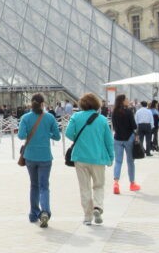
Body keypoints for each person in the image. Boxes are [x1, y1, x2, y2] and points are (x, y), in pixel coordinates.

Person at [65, 93, 114, 225]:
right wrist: (111, 157)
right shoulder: (102, 120)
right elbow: (109, 141)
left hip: (80, 158)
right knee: (98, 185)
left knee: (84, 187)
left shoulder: (76, 117)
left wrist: (79, 140)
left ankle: (87, 217)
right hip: (98, 158)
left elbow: (68, 133)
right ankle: (97, 207)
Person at [17, 93, 61, 227]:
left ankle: (33, 214)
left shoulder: (25, 117)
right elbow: (57, 137)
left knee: (34, 185)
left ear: (31, 103)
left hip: (30, 156)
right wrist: (46, 133)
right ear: (43, 104)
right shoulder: (49, 117)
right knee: (44, 186)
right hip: (45, 157)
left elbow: (21, 135)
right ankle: (45, 212)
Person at [111, 94, 140, 194]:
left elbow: (114, 126)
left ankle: (116, 183)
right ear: (123, 101)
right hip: (129, 138)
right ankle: (132, 184)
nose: (128, 100)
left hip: (117, 138)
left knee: (118, 161)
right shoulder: (129, 111)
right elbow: (134, 125)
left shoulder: (114, 112)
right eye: (126, 99)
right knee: (130, 162)